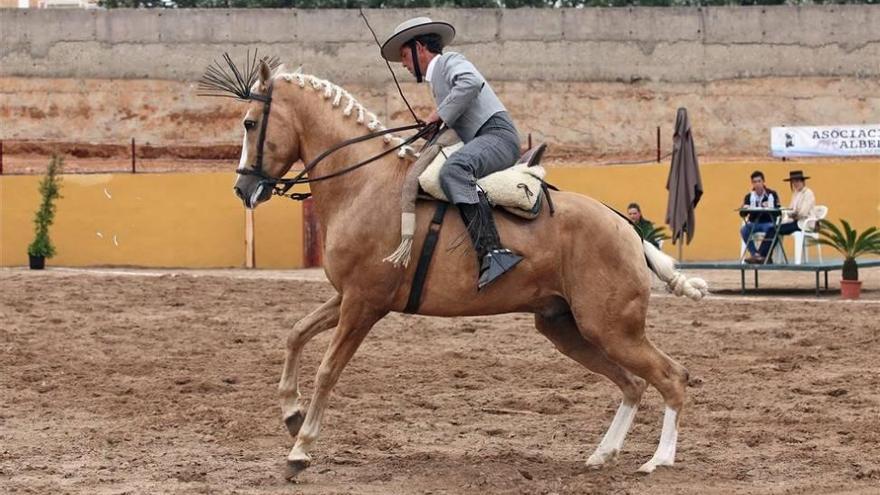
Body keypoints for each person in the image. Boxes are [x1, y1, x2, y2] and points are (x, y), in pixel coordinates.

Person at [381, 17, 523, 290]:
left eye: (404, 57)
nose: (404, 65)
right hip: (482, 137)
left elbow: (470, 83)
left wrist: (439, 114)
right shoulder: (438, 81)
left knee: (454, 170)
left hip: (497, 136)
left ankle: (494, 252)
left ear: (420, 48)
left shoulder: (448, 62)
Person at [755, 170, 816, 256]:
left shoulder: (808, 193)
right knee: (773, 228)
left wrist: (793, 213)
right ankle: (765, 256)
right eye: (793, 182)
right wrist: (790, 212)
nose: (795, 184)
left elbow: (802, 213)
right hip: (795, 222)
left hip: (803, 223)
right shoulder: (795, 193)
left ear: (803, 181)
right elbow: (791, 209)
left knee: (774, 229)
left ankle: (761, 255)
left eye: (797, 181)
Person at [739, 170, 780, 263]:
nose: (757, 184)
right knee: (744, 230)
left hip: (768, 222)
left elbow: (778, 212)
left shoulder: (771, 194)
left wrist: (771, 205)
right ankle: (755, 255)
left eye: (759, 181)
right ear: (752, 183)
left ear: (763, 181)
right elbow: (742, 214)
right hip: (754, 223)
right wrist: (744, 208)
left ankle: (765, 255)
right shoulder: (749, 196)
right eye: (755, 182)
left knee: (774, 230)